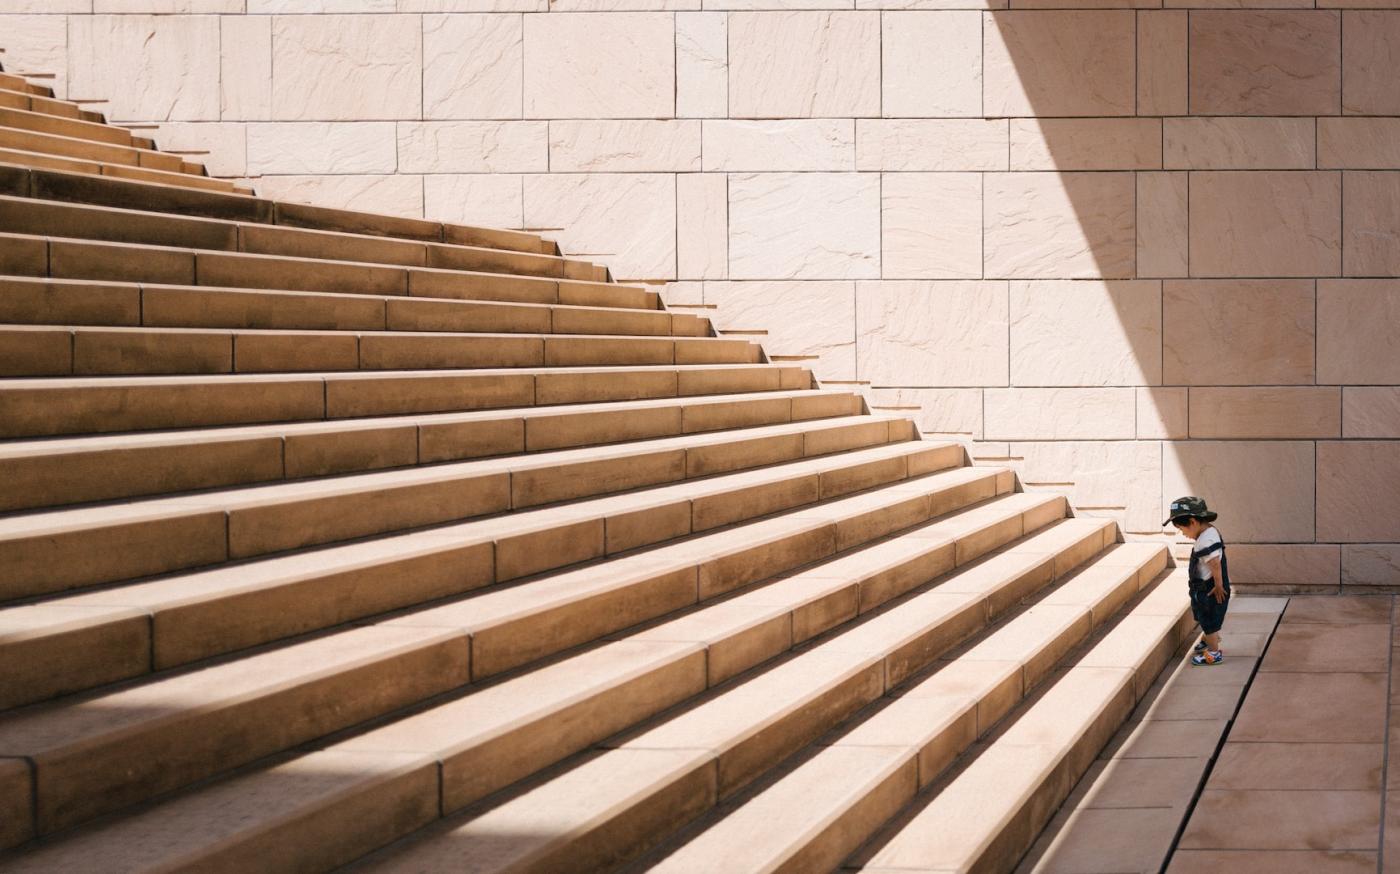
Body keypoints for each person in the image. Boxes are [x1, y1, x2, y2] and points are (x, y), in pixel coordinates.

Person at [1164, 496, 1229, 666]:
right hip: (1206, 585)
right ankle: (1210, 639)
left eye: (1182, 529)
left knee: (1208, 618)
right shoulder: (1209, 531)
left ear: (1192, 522)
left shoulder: (1205, 541)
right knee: (1204, 615)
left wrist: (1218, 585)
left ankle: (1214, 653)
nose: (1183, 533)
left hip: (1209, 588)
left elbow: (1215, 564)